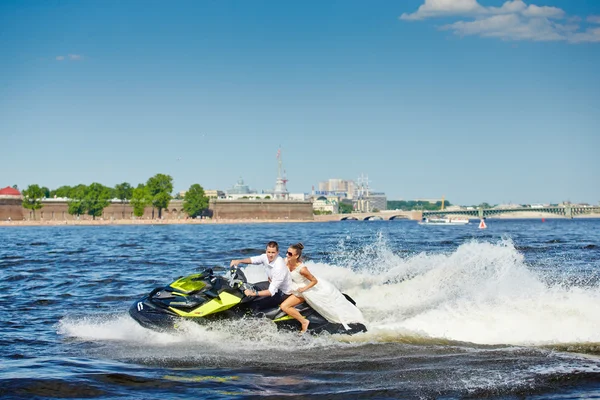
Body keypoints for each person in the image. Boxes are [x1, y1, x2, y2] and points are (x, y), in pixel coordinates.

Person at [279, 243, 366, 333]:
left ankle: (304, 322)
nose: (286, 255)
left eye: (290, 254)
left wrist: (303, 289)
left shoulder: (302, 269)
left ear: (296, 255)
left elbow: (314, 281)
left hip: (305, 289)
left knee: (284, 306)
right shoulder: (286, 261)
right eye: (287, 252)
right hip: (294, 286)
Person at [230, 241, 292, 310]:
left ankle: (257, 319)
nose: (270, 255)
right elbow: (253, 260)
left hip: (283, 293)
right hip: (272, 284)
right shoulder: (265, 257)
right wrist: (239, 261)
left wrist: (254, 293)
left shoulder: (279, 267)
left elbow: (271, 292)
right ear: (266, 251)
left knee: (254, 304)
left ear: (277, 252)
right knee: (252, 287)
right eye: (269, 252)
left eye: (273, 252)